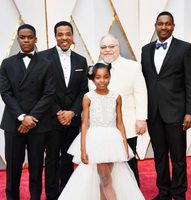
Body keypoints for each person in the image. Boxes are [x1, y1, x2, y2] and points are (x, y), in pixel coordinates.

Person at [58, 63, 145, 200]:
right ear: (93, 79)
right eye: (98, 77)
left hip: (112, 141)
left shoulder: (116, 97)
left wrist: (124, 146)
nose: (102, 81)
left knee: (104, 179)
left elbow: (120, 123)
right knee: (105, 178)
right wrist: (82, 149)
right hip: (95, 141)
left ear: (110, 78)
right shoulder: (88, 97)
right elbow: (85, 123)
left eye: (105, 77)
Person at [141, 11, 191, 200]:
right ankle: (163, 192)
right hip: (153, 112)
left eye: (167, 24)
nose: (163, 27)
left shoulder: (185, 48)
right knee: (159, 156)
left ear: (173, 26)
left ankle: (179, 193)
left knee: (179, 158)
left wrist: (190, 112)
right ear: (155, 26)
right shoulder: (145, 50)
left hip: (176, 112)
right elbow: (144, 82)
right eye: (160, 24)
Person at [0, 24, 55, 200]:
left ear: (35, 39)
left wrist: (32, 118)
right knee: (13, 168)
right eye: (22, 37)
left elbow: (49, 93)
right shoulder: (7, 63)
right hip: (13, 123)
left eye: (29, 37)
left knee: (37, 168)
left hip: (38, 124)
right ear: (18, 40)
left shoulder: (47, 64)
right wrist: (23, 117)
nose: (26, 40)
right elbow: (5, 92)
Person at [39, 21, 88, 199]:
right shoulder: (43, 57)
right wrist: (58, 112)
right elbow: (42, 89)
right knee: (51, 158)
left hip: (72, 120)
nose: (64, 37)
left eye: (68, 34)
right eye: (60, 34)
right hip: (51, 119)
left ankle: (67, 193)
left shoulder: (81, 60)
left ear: (72, 36)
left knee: (68, 159)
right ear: (55, 36)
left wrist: (72, 112)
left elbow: (83, 90)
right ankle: (52, 195)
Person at [97, 33, 147, 187]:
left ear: (118, 48)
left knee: (128, 162)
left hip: (127, 125)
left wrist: (141, 119)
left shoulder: (133, 66)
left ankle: (133, 194)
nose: (107, 50)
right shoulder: (94, 68)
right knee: (106, 165)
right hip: (102, 127)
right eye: (104, 47)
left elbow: (141, 93)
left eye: (111, 46)